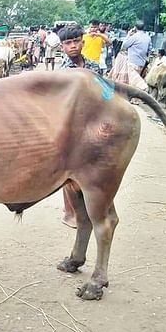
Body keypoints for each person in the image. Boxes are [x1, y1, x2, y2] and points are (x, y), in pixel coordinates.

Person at [57, 23, 99, 228]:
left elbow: (106, 93)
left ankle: (90, 211)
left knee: (92, 170)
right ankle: (70, 212)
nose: (72, 46)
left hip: (93, 123)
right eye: (67, 43)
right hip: (71, 126)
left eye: (75, 41)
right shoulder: (62, 73)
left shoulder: (95, 67)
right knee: (69, 173)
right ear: (62, 47)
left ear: (82, 42)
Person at [120, 20, 151, 91]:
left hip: (132, 62)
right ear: (144, 27)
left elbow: (124, 45)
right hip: (142, 63)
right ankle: (135, 100)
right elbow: (150, 50)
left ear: (135, 27)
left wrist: (128, 35)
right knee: (134, 81)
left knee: (134, 81)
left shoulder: (134, 37)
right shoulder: (148, 37)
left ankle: (144, 86)